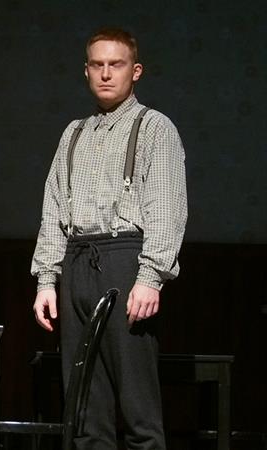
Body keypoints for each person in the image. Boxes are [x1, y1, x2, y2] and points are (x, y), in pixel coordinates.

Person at [31, 27, 187, 449]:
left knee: (137, 407)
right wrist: (47, 280)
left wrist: (150, 277)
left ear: (135, 71)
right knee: (84, 406)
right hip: (77, 262)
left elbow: (166, 207)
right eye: (97, 65)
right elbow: (54, 209)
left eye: (115, 65)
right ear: (86, 71)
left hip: (124, 261)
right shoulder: (74, 132)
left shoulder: (154, 127)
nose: (105, 74)